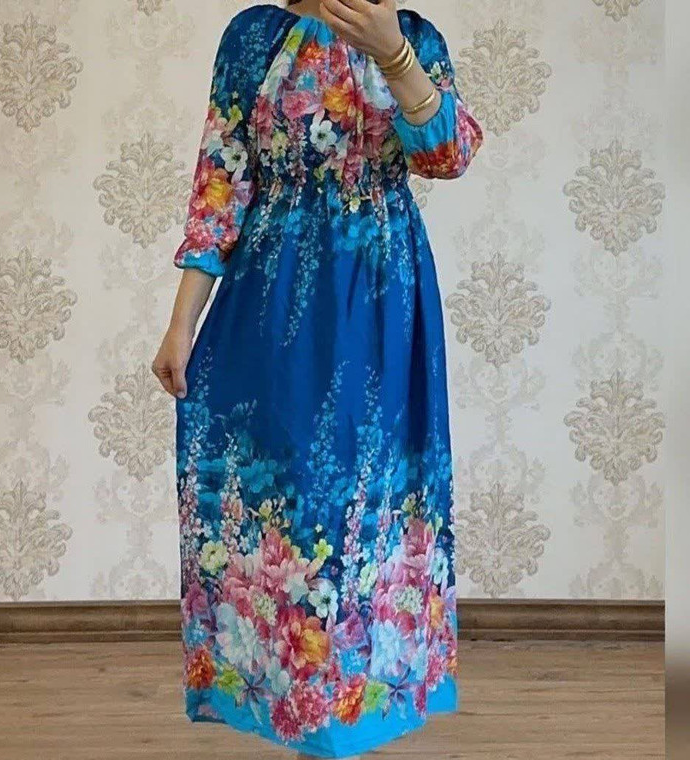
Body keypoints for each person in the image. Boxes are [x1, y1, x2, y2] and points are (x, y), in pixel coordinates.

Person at [152, 1, 484, 758]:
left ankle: (348, 711)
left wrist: (394, 54)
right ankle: (291, 705)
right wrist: (181, 323)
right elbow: (222, 182)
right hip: (271, 295)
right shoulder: (254, 37)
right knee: (283, 494)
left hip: (380, 300)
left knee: (364, 497)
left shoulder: (414, 37)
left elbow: (449, 156)